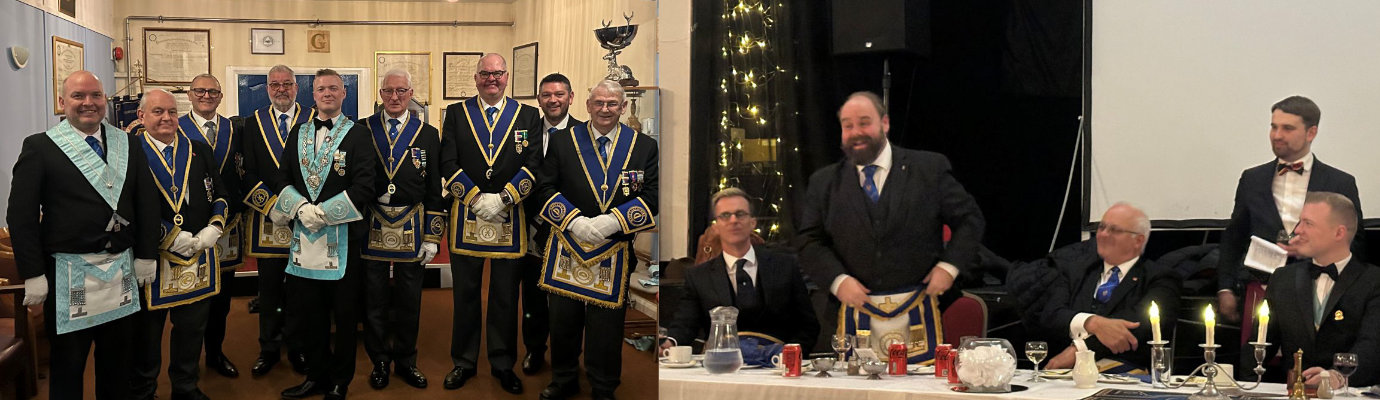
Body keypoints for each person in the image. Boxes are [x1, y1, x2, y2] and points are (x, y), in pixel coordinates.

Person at [796, 91, 984, 362]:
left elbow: (970, 220)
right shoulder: (823, 182)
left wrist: (949, 267)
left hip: (925, 312)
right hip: (848, 314)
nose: (856, 132)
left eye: (864, 122)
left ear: (884, 123)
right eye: (847, 126)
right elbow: (809, 241)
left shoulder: (929, 168)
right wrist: (838, 281)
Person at [8, 70, 160, 399]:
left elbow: (146, 202)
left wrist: (148, 254)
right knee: (68, 366)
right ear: (62, 103)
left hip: (120, 271)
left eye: (95, 95)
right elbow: (20, 217)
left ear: (105, 100)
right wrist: (33, 272)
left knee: (117, 365)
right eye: (78, 96)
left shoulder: (128, 143)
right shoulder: (40, 147)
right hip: (69, 276)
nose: (88, 103)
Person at [534, 79, 658, 400]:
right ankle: (563, 379)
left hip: (613, 250)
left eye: (612, 104)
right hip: (567, 246)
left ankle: (603, 386)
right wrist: (573, 221)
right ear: (587, 105)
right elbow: (544, 188)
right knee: (563, 322)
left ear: (623, 107)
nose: (605, 109)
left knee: (606, 328)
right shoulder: (563, 141)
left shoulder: (643, 146)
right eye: (599, 103)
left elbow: (652, 196)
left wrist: (610, 222)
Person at [439, 53, 543, 394]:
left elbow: (533, 166)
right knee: (465, 294)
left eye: (498, 73)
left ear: (507, 76)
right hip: (466, 215)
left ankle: (502, 363)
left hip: (509, 216)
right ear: (476, 77)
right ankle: (464, 362)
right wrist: (474, 198)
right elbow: (447, 162)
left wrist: (504, 198)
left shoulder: (528, 115)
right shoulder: (456, 113)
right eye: (485, 73)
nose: (492, 79)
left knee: (504, 297)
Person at [270, 69, 376, 400]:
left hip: (342, 240)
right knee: (308, 315)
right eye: (320, 89)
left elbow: (364, 185)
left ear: (344, 93)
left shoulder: (358, 135)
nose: (327, 93)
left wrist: (324, 214)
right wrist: (301, 208)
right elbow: (282, 179)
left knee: (344, 317)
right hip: (304, 239)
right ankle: (315, 375)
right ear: (312, 96)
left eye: (333, 88)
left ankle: (338, 382)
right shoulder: (298, 133)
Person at [1217, 96, 1363, 323]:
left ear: (1311, 133)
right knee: (1257, 355)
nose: (1277, 135)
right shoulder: (1252, 179)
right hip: (1261, 289)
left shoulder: (1340, 182)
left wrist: (1314, 249)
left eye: (1287, 128)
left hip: (1321, 290)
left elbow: (1355, 242)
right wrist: (1224, 288)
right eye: (1273, 127)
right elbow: (1234, 238)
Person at [128, 88, 230, 400]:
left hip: (198, 255)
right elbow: (125, 206)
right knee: (147, 335)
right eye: (158, 112)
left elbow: (221, 194)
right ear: (141, 116)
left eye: (172, 112)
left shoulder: (198, 148)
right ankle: (145, 391)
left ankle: (185, 388)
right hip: (152, 258)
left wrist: (215, 226)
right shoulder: (130, 150)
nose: (166, 118)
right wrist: (170, 236)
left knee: (191, 331)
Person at [359, 69, 443, 390]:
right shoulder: (362, 129)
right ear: (380, 95)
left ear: (411, 93)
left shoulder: (428, 133)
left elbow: (435, 188)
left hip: (413, 224)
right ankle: (379, 360)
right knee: (374, 299)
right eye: (388, 91)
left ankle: (407, 360)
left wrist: (433, 236)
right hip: (372, 224)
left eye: (401, 91)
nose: (394, 97)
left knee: (410, 298)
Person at [1020, 203, 1180, 371]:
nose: (1103, 234)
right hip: (1062, 376)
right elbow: (1052, 315)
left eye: (1114, 230)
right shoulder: (1075, 269)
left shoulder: (1161, 277)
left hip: (1125, 377)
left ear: (1138, 240)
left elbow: (1138, 327)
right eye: (1102, 227)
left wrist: (1080, 349)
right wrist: (1092, 322)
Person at [666, 188, 818, 351]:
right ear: (715, 226)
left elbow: (808, 326)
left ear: (752, 222)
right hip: (721, 367)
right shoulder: (698, 276)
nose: (733, 220)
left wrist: (789, 356)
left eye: (740, 214)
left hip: (778, 366)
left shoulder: (785, 266)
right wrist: (669, 344)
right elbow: (685, 326)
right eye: (725, 215)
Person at [1263, 192, 1380, 388]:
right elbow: (1261, 343)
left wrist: (1338, 377)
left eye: (1308, 223)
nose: (1297, 230)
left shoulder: (1374, 280)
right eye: (1299, 222)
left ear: (1339, 233)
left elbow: (1372, 345)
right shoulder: (1283, 278)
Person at [241, 64, 314, 376]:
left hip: (307, 220)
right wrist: (270, 206)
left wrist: (303, 207)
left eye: (287, 84)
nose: (281, 89)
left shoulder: (314, 119)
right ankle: (268, 348)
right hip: (267, 220)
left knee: (301, 290)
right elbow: (247, 172)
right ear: (267, 88)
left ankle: (298, 348)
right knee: (268, 289)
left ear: (297, 87)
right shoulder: (252, 124)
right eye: (275, 84)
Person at [179, 73, 245, 379]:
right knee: (189, 302)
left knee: (222, 300)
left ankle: (216, 353)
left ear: (220, 96)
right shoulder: (175, 126)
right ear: (190, 95)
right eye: (200, 91)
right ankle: (185, 365)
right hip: (187, 231)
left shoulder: (235, 128)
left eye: (213, 92)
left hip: (226, 224)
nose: (207, 96)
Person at [519, 72, 582, 375]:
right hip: (531, 225)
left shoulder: (585, 132)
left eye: (559, 94)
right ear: (539, 100)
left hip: (570, 228)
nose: (553, 100)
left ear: (571, 97)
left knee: (568, 297)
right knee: (532, 294)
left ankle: (567, 357)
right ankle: (534, 349)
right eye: (546, 95)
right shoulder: (524, 130)